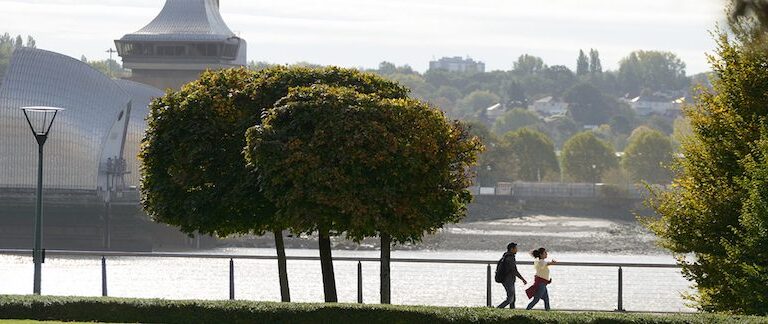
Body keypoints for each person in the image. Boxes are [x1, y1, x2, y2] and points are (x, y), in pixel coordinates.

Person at [497, 242, 527, 309]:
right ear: (511, 249)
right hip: (508, 280)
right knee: (510, 299)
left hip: (507, 279)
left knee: (513, 299)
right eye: (515, 248)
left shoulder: (506, 256)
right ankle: (497, 309)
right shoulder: (510, 258)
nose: (517, 250)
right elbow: (514, 270)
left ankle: (512, 312)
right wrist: (522, 279)